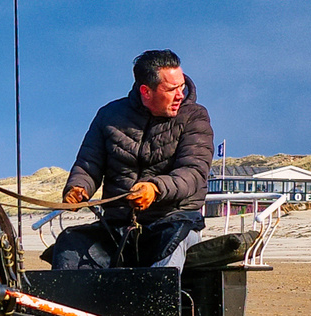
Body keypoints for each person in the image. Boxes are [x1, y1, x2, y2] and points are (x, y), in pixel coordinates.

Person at [52, 49, 214, 271]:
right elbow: (88, 164)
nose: (180, 94)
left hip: (174, 222)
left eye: (181, 85)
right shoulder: (109, 115)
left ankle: (156, 306)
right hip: (116, 226)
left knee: (166, 255)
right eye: (171, 89)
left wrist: (155, 189)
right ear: (146, 91)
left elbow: (193, 173)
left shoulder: (195, 117)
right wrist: (78, 187)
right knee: (70, 244)